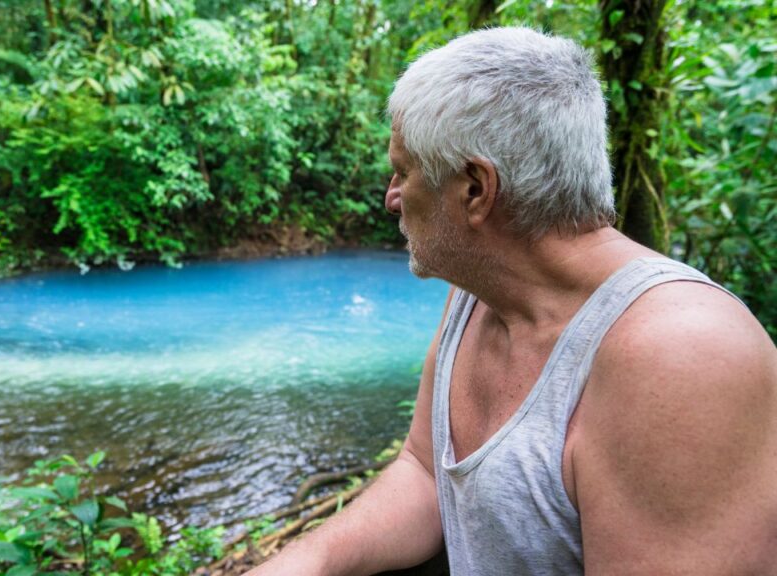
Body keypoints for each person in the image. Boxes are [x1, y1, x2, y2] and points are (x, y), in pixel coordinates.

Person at [248, 27, 777, 576]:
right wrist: (307, 559)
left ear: (476, 188)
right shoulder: (477, 293)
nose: (391, 197)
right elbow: (425, 472)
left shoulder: (681, 355)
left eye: (403, 172)